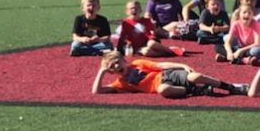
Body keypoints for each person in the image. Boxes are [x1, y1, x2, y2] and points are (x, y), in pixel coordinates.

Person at [92, 51, 245, 98]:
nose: (117, 66)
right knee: (162, 90)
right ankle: (198, 90)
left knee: (195, 77)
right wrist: (101, 71)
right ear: (110, 72)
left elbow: (160, 65)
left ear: (124, 60)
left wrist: (182, 65)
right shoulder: (121, 83)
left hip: (167, 74)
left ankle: (229, 87)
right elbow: (97, 91)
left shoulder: (137, 63)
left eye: (117, 62)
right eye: (112, 67)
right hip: (163, 85)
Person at [118, 0, 184, 57]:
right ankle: (167, 53)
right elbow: (123, 37)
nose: (134, 10)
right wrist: (121, 48)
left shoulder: (146, 21)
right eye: (131, 8)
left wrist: (151, 38)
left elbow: (151, 34)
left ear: (140, 10)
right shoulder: (125, 23)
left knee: (151, 43)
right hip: (136, 47)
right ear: (127, 11)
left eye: (136, 8)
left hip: (147, 43)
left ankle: (171, 50)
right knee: (146, 52)